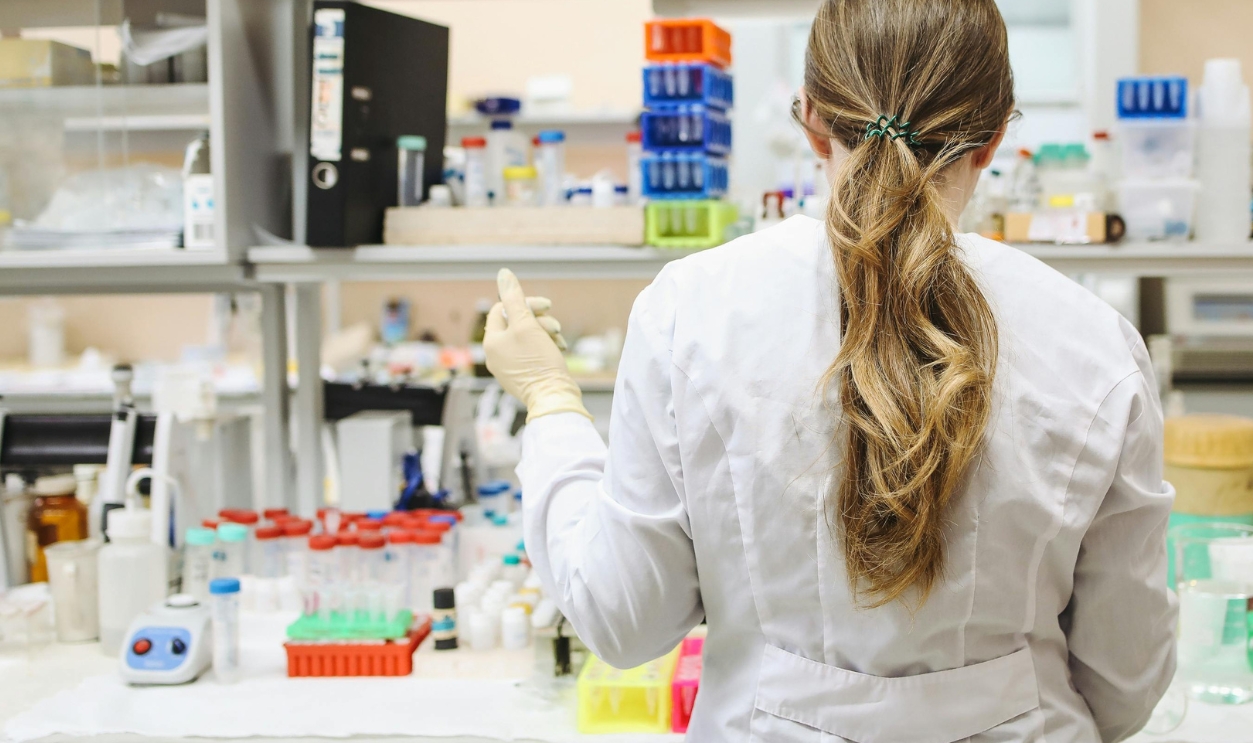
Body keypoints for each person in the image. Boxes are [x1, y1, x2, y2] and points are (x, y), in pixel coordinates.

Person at [483, 0, 1177, 740]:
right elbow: (1126, 679)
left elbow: (623, 619)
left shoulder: (692, 311)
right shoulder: (1093, 342)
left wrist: (550, 400)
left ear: (811, 120)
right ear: (994, 137)